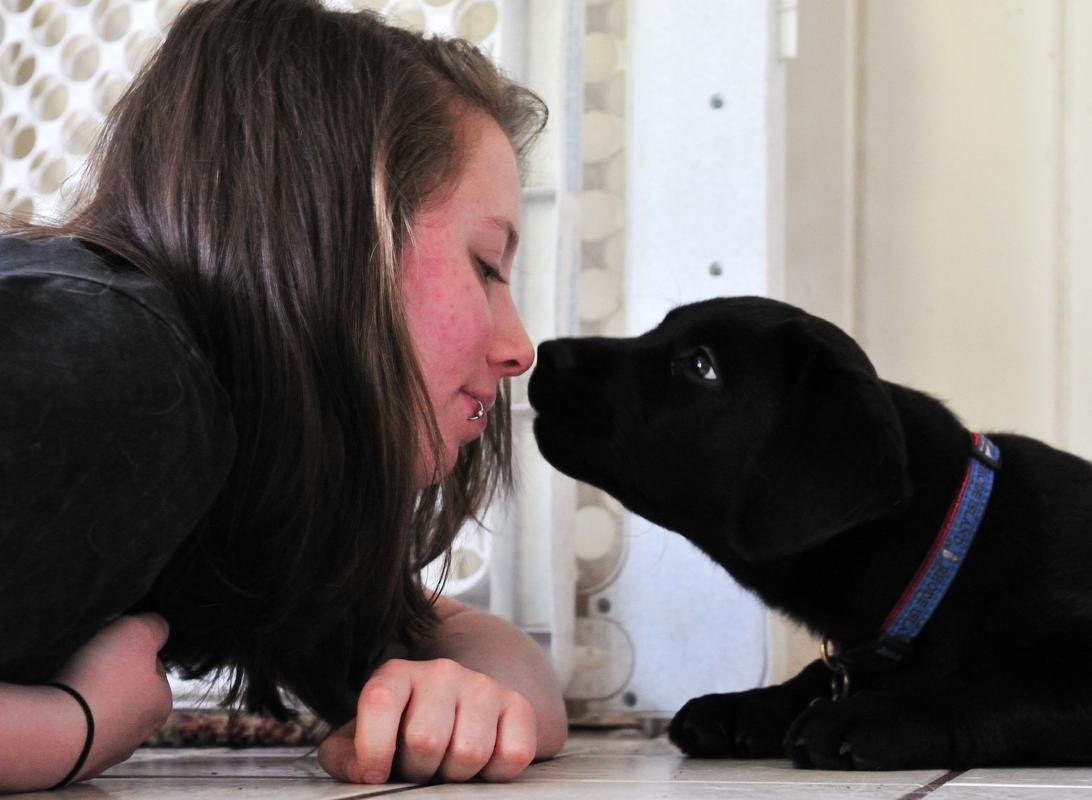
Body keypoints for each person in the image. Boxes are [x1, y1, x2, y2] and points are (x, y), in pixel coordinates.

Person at [0, 0, 567, 792]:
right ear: (338, 234)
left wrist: (469, 701)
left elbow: (471, 642)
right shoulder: (106, 361)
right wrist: (71, 726)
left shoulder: (241, 465)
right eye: (484, 266)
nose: (519, 349)